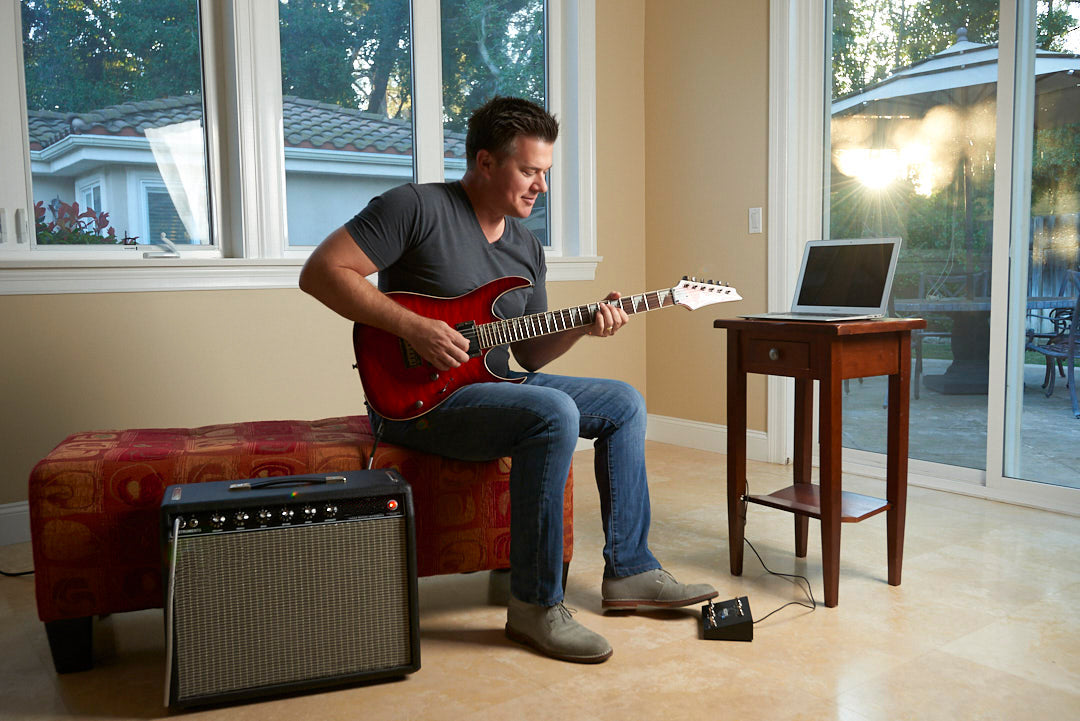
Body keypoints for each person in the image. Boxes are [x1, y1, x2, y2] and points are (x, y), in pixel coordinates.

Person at [299, 96, 717, 664]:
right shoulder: (413, 207)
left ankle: (631, 571)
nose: (540, 186)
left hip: (489, 387)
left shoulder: (526, 245)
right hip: (415, 400)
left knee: (623, 401)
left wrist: (585, 326)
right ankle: (534, 606)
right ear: (485, 162)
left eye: (545, 172)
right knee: (555, 412)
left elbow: (529, 354)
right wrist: (415, 328)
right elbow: (321, 272)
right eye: (528, 170)